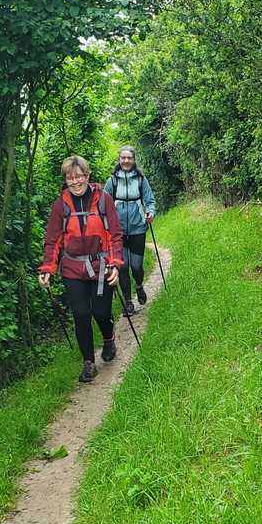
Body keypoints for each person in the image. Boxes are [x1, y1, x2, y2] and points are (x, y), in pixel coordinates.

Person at [38, 155, 123, 383]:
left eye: (79, 176)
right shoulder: (61, 205)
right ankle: (88, 363)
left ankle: (109, 339)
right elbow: (53, 240)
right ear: (65, 180)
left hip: (101, 266)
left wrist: (115, 264)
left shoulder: (103, 199)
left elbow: (115, 234)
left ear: (87, 175)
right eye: (70, 178)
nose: (75, 182)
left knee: (101, 312)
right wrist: (47, 268)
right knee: (81, 314)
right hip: (73, 269)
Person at [104, 145, 157, 316]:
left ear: (134, 160)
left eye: (129, 158)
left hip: (137, 228)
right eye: (123, 158)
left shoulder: (141, 179)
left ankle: (139, 286)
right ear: (119, 160)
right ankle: (128, 303)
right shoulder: (112, 181)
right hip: (117, 231)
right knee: (123, 267)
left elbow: (150, 200)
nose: (126, 161)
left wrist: (150, 212)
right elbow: (103, 203)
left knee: (136, 266)